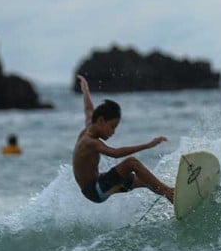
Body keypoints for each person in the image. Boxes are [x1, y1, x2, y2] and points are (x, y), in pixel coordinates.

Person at [72, 75, 174, 203]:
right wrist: (148, 145)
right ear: (101, 121)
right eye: (112, 127)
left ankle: (170, 192)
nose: (113, 132)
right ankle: (170, 194)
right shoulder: (90, 142)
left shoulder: (90, 124)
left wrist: (85, 89)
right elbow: (115, 153)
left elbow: (88, 108)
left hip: (99, 183)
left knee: (144, 179)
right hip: (95, 191)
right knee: (132, 163)